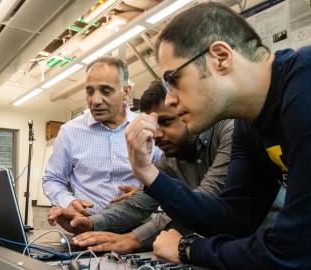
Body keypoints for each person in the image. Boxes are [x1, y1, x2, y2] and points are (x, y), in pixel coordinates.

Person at [125, 2, 311, 269]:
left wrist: (190, 249)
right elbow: (232, 219)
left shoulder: (304, 88)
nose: (170, 99)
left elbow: (294, 249)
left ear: (220, 57)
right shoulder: (248, 126)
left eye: (173, 79)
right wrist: (148, 173)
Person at [47, 80, 234, 254]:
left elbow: (205, 199)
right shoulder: (171, 156)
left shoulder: (229, 131)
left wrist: (134, 238)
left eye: (166, 121)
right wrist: (90, 222)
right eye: (153, 125)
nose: (157, 134)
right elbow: (138, 204)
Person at [42, 56, 161, 215]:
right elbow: (52, 179)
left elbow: (167, 178)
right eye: (90, 91)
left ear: (126, 91)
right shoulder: (70, 132)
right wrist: (69, 201)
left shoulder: (147, 128)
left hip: (139, 232)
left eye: (106, 91)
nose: (95, 100)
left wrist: (145, 194)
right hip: (85, 229)